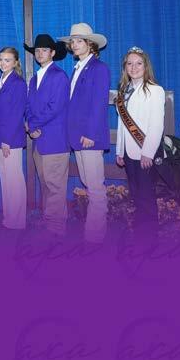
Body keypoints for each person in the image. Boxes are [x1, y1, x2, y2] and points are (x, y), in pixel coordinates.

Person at [59, 22, 111, 243]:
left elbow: (98, 104)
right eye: (73, 41)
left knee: (95, 187)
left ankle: (95, 236)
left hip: (90, 137)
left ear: (90, 44)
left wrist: (90, 133)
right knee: (88, 182)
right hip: (78, 136)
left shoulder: (99, 68)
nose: (74, 44)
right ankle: (93, 231)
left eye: (79, 41)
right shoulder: (78, 68)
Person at [115, 47, 165, 237]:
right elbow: (122, 125)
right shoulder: (124, 91)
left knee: (146, 198)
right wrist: (120, 151)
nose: (134, 67)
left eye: (138, 63)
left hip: (145, 152)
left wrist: (148, 152)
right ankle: (139, 235)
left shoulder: (155, 90)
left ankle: (150, 240)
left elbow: (156, 125)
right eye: (129, 63)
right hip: (129, 153)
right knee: (136, 196)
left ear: (146, 66)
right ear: (125, 67)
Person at [24, 33, 70, 237]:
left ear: (52, 53)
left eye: (44, 50)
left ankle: (56, 227)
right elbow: (28, 105)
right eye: (37, 50)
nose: (40, 53)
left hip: (55, 139)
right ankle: (49, 221)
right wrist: (29, 123)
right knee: (46, 183)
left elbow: (55, 107)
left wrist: (33, 124)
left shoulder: (59, 76)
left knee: (55, 185)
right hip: (39, 138)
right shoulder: (35, 78)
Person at [0, 46, 27, 230]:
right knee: (6, 179)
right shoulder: (0, 80)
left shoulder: (18, 83)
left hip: (11, 139)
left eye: (7, 60)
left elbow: (16, 114)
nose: (3, 63)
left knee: (14, 180)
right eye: (1, 59)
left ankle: (18, 220)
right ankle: (9, 218)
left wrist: (6, 139)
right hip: (1, 138)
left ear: (16, 62)